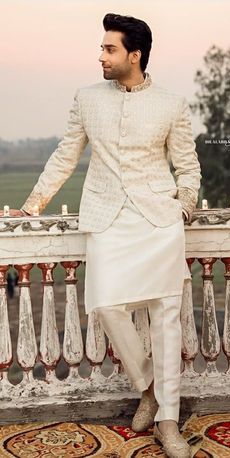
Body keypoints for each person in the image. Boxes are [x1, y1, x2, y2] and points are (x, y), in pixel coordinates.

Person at [0, 13, 201, 458]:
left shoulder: (171, 103)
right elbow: (65, 155)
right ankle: (149, 385)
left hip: (158, 220)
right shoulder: (87, 99)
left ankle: (168, 421)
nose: (101, 56)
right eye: (102, 48)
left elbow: (188, 167)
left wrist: (182, 207)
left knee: (166, 317)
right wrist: (33, 204)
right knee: (105, 303)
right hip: (108, 216)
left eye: (109, 49)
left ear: (135, 55)